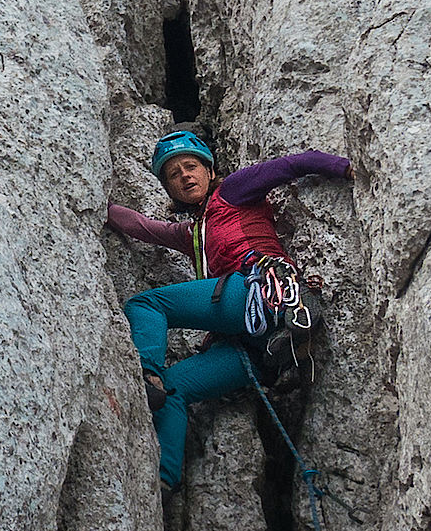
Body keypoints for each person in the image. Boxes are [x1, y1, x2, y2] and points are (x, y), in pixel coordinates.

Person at [106, 128, 353, 489]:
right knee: (175, 389)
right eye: (174, 175)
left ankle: (146, 374)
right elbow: (143, 227)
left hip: (256, 292)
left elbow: (290, 165)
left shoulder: (234, 192)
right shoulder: (193, 234)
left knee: (147, 303)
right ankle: (164, 481)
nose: (185, 176)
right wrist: (93, 202)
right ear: (169, 189)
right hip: (258, 346)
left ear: (209, 170)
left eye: (191, 167)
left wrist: (344, 168)